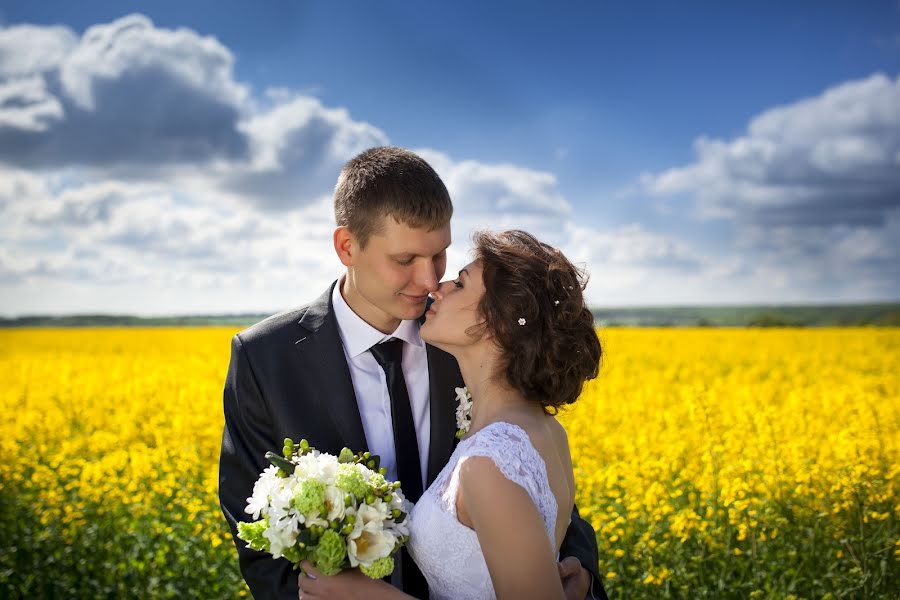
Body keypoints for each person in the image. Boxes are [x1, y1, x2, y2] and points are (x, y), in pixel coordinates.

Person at [218, 147, 606, 600]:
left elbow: (543, 493)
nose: (428, 282)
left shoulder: (474, 341)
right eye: (405, 260)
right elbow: (260, 534)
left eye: (440, 255)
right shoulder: (265, 358)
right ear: (347, 246)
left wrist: (583, 581)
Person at [295, 230, 604, 599]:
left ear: (494, 323)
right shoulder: (544, 430)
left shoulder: (488, 463)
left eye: (460, 283)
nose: (436, 287)